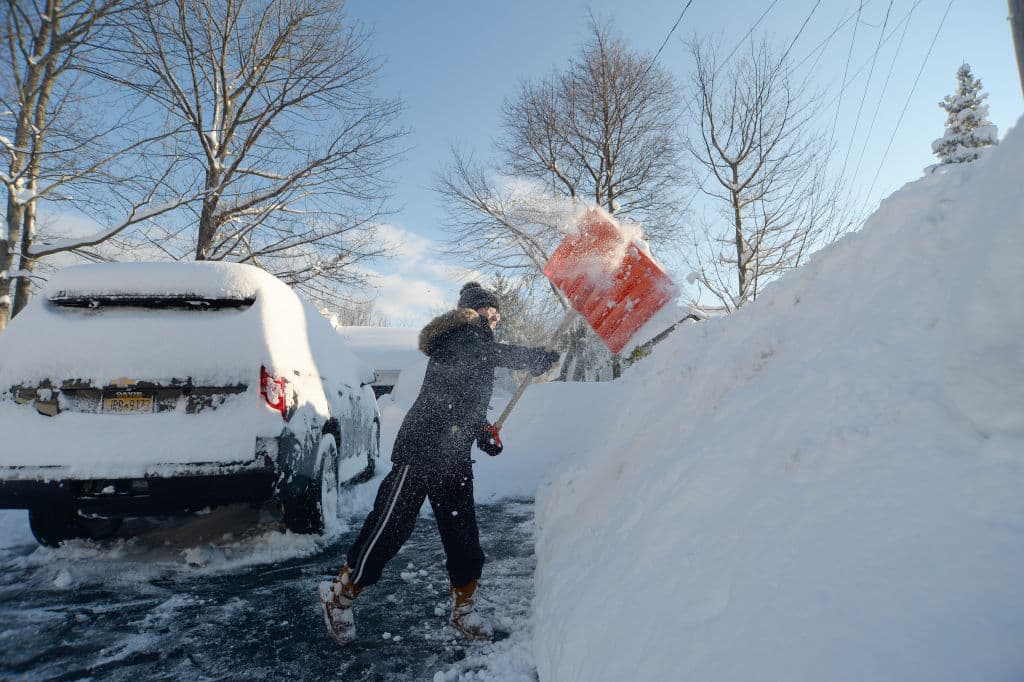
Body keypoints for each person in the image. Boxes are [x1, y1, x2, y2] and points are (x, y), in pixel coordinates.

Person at [319, 281, 560, 645]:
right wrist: (530, 357)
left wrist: (481, 432)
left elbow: (462, 401)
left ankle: (464, 608)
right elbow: (476, 351)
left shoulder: (479, 347)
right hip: (421, 450)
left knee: (463, 536)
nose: (493, 320)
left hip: (454, 455)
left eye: (496, 316)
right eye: (488, 313)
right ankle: (340, 595)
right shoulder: (456, 338)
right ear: (471, 313)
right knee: (390, 528)